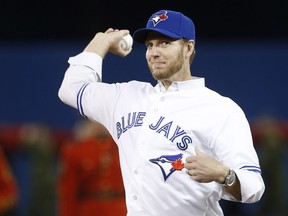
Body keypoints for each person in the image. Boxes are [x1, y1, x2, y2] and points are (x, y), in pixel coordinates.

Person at [58, 9, 265, 216]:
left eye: (165, 43)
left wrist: (223, 174)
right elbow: (70, 89)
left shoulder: (221, 109)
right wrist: (101, 41)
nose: (154, 52)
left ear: (188, 48)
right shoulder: (126, 96)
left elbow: (253, 186)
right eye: (150, 45)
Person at [57, 119, 126, 216]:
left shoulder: (124, 147)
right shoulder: (76, 150)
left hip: (121, 210)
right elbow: (68, 193)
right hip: (90, 210)